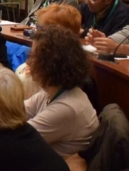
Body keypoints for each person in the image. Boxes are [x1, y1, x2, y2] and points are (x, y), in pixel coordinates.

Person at [26, 25, 98, 157]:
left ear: (51, 64)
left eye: (34, 57)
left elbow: (17, 141)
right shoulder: (52, 92)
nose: (28, 62)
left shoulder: (67, 108)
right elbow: (15, 111)